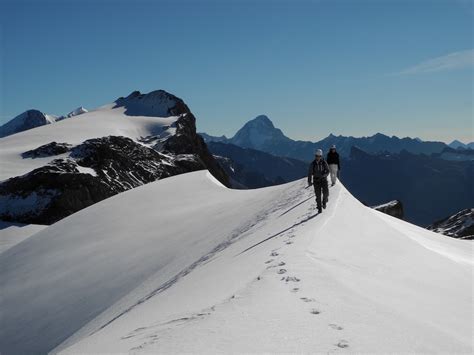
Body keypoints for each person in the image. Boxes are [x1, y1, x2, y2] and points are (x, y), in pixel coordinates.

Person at [308, 149, 329, 213]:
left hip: (323, 180)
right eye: (317, 156)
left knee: (326, 193)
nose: (318, 157)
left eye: (319, 156)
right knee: (318, 195)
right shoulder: (313, 164)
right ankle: (319, 208)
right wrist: (309, 181)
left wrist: (325, 175)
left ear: (321, 156)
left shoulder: (324, 162)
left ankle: (324, 202)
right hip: (316, 181)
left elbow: (328, 170)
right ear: (315, 156)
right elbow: (310, 173)